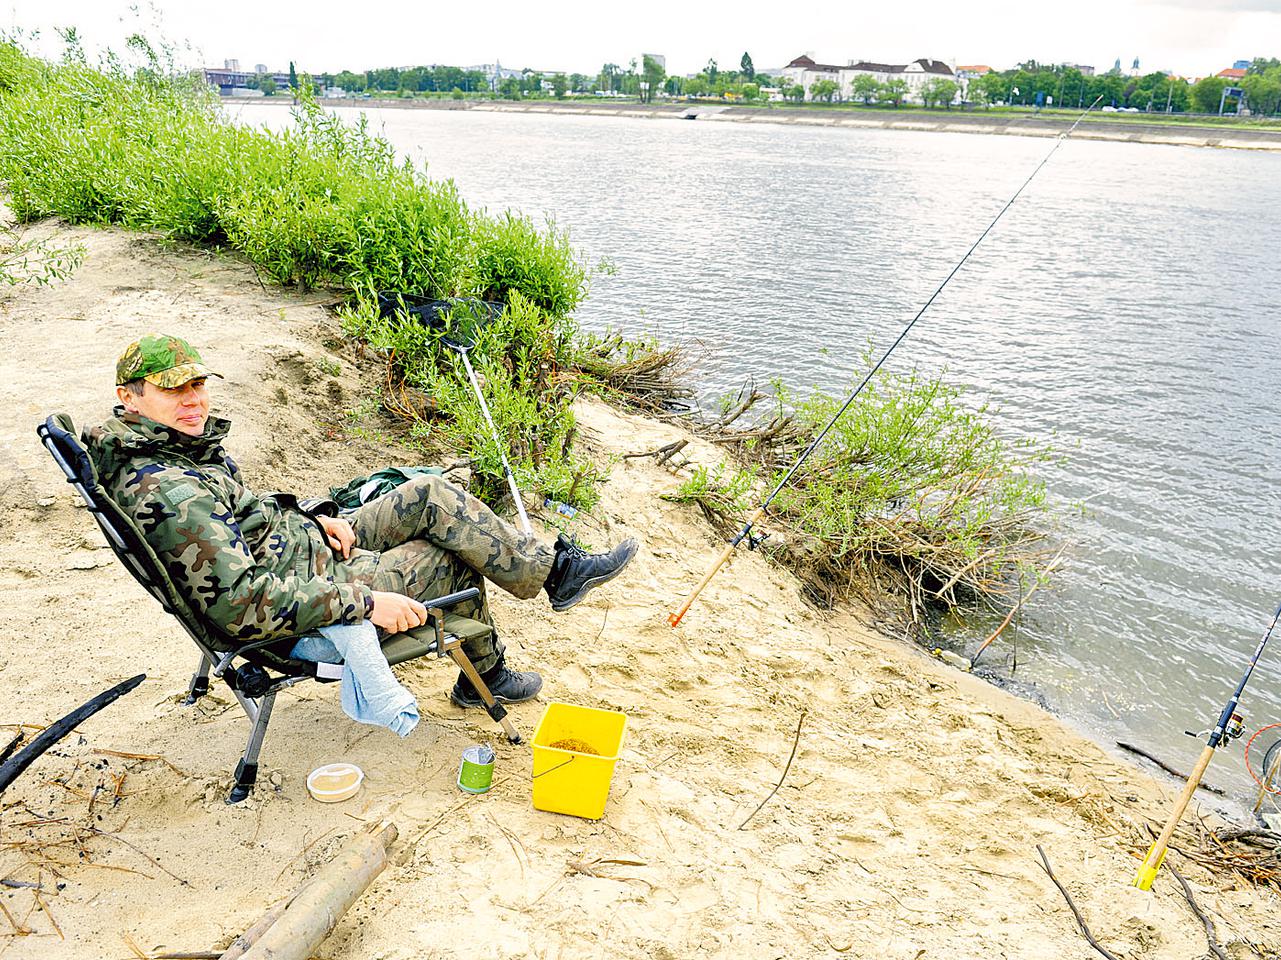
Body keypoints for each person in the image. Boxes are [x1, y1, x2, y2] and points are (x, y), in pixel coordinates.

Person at [85, 334, 638, 707]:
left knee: (428, 495)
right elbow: (241, 605)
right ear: (129, 399)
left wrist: (313, 518)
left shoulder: (175, 452)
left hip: (307, 551)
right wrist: (366, 603)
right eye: (173, 389)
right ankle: (485, 678)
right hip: (310, 599)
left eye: (197, 384)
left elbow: (245, 522)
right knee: (446, 556)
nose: (193, 400)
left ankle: (556, 571)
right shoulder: (171, 491)